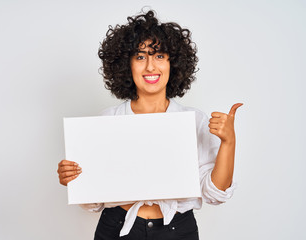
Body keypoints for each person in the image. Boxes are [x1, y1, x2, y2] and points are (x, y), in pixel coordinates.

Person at [57, 10, 242, 240]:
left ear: (173, 63)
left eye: (160, 56)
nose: (151, 67)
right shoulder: (107, 120)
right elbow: (93, 203)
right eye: (141, 57)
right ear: (127, 64)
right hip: (116, 228)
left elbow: (215, 194)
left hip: (177, 230)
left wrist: (229, 142)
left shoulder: (195, 120)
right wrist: (74, 178)